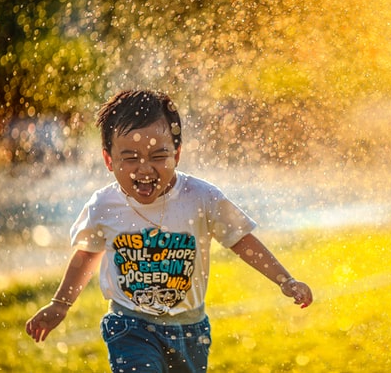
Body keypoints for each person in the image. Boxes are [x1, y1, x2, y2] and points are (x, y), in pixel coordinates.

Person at [25, 89, 313, 372]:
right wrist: (60, 303)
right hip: (130, 325)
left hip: (190, 329)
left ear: (177, 154)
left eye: (158, 155)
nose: (145, 168)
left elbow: (241, 240)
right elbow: (87, 255)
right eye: (131, 157)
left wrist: (284, 280)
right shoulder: (104, 205)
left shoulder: (201, 197)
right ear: (109, 160)